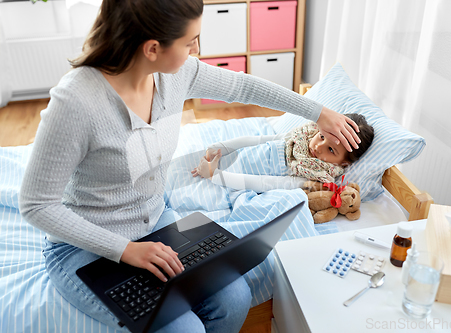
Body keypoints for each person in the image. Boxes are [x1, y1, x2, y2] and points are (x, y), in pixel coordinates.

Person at [18, 0, 361, 332]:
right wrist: (126, 251)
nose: (197, 49)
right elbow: (36, 205)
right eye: (189, 41)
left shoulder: (176, 74)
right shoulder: (76, 102)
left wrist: (319, 112)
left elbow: (242, 85)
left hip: (153, 219)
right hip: (85, 247)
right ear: (152, 48)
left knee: (235, 298)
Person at [192, 114, 374, 192]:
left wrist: (215, 176)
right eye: (322, 136)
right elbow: (258, 140)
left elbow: (265, 184)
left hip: (233, 181)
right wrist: (220, 148)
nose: (319, 146)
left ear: (343, 163)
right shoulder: (300, 136)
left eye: (331, 150)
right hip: (230, 160)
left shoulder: (310, 176)